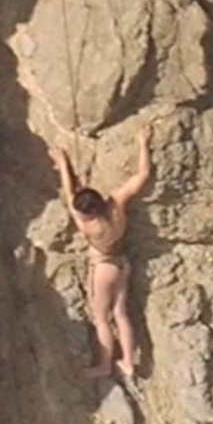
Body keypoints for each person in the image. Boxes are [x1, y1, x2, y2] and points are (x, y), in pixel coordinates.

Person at [50, 124, 152, 378]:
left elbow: (69, 193)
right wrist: (142, 143)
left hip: (103, 268)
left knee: (101, 318)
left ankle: (105, 364)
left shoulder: (87, 224)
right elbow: (142, 175)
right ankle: (128, 362)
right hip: (122, 263)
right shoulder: (116, 204)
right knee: (121, 313)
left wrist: (63, 164)